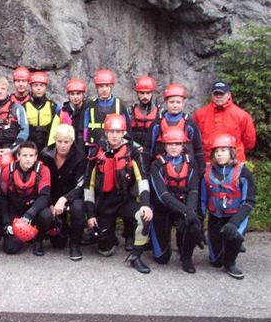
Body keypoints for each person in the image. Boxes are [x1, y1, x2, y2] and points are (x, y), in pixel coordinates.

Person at [84, 114, 153, 274]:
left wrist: (146, 205)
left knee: (144, 216)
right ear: (105, 132)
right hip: (104, 204)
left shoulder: (133, 152)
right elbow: (89, 185)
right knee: (105, 251)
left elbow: (142, 179)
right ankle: (109, 237)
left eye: (118, 131)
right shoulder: (96, 152)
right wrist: (91, 214)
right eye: (111, 131)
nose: (114, 135)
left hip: (124, 200)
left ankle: (136, 256)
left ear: (123, 133)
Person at [201, 134, 256, 280]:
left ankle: (231, 261)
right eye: (216, 151)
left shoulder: (243, 172)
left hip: (235, 217)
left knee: (234, 236)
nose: (219, 154)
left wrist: (235, 222)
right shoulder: (207, 173)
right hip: (215, 217)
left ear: (232, 152)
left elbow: (249, 202)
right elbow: (203, 200)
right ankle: (221, 254)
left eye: (223, 150)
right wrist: (199, 224)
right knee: (215, 262)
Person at [149, 127, 201, 273]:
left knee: (194, 224)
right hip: (163, 209)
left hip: (183, 205)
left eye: (177, 144)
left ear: (183, 145)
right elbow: (163, 195)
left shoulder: (191, 163)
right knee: (161, 259)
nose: (173, 147)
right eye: (170, 143)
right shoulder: (157, 165)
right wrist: (186, 211)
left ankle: (186, 256)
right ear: (165, 145)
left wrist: (190, 212)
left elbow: (193, 190)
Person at [40, 124, 86, 260]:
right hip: (51, 196)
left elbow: (81, 185)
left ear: (72, 142)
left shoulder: (80, 157)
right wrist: (49, 203)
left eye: (66, 142)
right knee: (58, 244)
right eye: (59, 141)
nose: (63, 145)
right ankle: (47, 235)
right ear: (55, 140)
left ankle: (75, 245)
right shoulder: (45, 155)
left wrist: (65, 199)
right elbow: (42, 182)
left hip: (71, 197)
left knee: (78, 207)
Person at [0, 141, 52, 256]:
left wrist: (29, 214)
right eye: (24, 155)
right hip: (16, 209)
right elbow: (2, 198)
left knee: (47, 215)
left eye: (31, 156)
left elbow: (44, 196)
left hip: (34, 211)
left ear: (36, 157)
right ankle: (19, 238)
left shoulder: (44, 170)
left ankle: (39, 240)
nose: (28, 159)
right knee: (10, 248)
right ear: (18, 156)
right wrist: (6, 223)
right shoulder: (8, 171)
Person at [194, 81, 256, 163]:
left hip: (235, 162)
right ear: (211, 95)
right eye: (216, 94)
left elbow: (249, 142)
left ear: (228, 95)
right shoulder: (200, 114)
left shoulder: (242, 115)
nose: (218, 96)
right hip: (208, 162)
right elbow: (195, 139)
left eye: (222, 94)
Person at [150, 83, 205, 175]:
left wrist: (200, 171)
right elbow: (149, 148)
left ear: (183, 103)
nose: (175, 105)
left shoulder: (190, 124)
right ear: (166, 102)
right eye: (171, 102)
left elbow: (198, 149)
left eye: (178, 102)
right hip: (161, 170)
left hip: (186, 170)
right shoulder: (157, 123)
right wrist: (146, 173)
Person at [83, 69, 130, 149]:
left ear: (111, 86)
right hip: (94, 147)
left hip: (116, 147)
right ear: (97, 87)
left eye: (107, 86)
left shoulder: (120, 105)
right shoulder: (90, 106)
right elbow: (85, 128)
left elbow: (128, 129)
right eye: (101, 86)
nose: (104, 89)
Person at [0, 76, 29, 160]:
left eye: (3, 89)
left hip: (11, 149)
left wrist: (11, 149)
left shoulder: (17, 108)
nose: (0, 91)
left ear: (7, 90)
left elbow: (25, 131)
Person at [24, 71, 60, 153]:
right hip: (29, 148)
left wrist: (51, 147)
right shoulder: (24, 107)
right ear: (31, 87)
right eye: (35, 85)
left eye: (42, 85)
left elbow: (56, 129)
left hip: (48, 148)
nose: (39, 88)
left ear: (46, 87)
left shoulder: (53, 107)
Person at [49, 78, 88, 150]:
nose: (75, 97)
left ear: (83, 94)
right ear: (68, 95)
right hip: (66, 149)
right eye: (72, 94)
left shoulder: (88, 110)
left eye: (78, 94)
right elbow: (53, 134)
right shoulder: (62, 112)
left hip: (85, 148)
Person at [129, 75, 160, 160]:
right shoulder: (130, 112)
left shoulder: (160, 113)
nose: (145, 96)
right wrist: (136, 147)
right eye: (142, 93)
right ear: (137, 93)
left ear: (152, 93)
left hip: (153, 153)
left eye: (148, 93)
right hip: (134, 152)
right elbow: (125, 134)